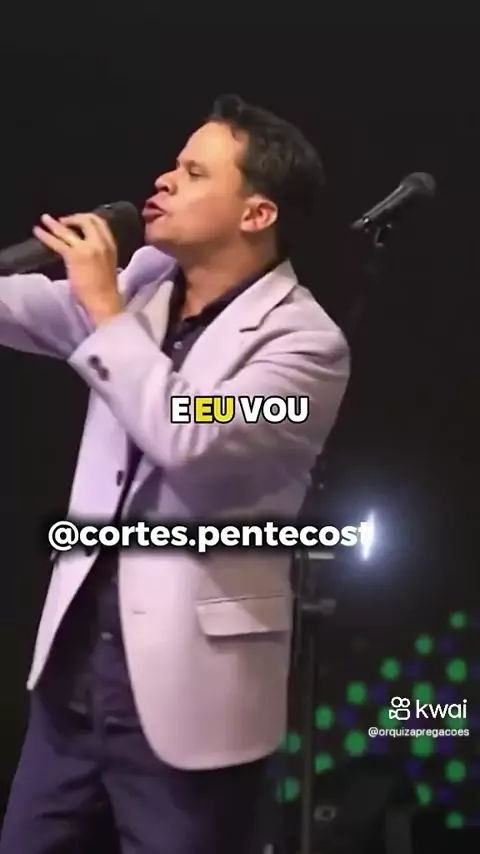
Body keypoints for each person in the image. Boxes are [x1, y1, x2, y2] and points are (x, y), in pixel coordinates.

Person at [0, 94, 350, 854]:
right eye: (174, 165)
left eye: (194, 173)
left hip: (190, 703)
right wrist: (102, 303)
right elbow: (18, 308)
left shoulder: (304, 346)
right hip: (73, 685)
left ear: (257, 213)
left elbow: (192, 434)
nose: (162, 181)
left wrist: (104, 309)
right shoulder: (143, 292)